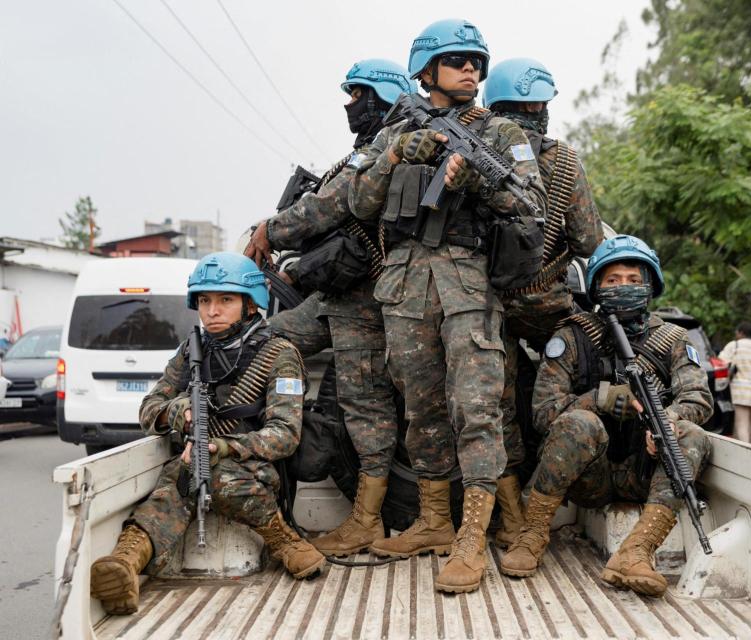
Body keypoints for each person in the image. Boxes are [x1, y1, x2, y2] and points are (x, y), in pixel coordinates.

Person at [348, 19, 547, 593]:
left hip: (467, 285)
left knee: (476, 408)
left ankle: (472, 536)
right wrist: (397, 155)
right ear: (426, 70)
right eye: (458, 60)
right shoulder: (397, 130)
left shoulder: (503, 132)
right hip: (406, 287)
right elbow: (360, 202)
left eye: (477, 62)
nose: (471, 70)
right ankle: (434, 521)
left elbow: (531, 204)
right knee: (421, 408)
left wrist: (478, 182)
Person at [243, 60, 417, 558]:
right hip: (342, 293)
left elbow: (332, 205)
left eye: (356, 94)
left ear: (380, 96)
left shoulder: (394, 140)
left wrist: (270, 231)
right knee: (263, 342)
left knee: (365, 404)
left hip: (368, 297)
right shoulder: (379, 142)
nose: (348, 104)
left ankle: (366, 522)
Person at [89, 253, 324, 615]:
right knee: (176, 483)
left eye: (225, 300)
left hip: (253, 470)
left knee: (212, 471)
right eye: (204, 300)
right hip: (190, 463)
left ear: (250, 304)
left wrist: (225, 447)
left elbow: (284, 435)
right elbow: (149, 409)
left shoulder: (278, 354)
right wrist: (178, 413)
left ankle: (283, 539)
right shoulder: (191, 352)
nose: (212, 311)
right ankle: (125, 564)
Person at [499, 235, 713, 598]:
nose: (624, 287)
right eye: (613, 280)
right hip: (588, 479)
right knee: (580, 423)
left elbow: (699, 397)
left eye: (633, 279)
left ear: (650, 285)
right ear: (597, 286)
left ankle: (636, 552)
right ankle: (531, 533)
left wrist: (670, 418)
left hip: (641, 472)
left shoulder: (673, 339)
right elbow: (543, 412)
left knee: (691, 434)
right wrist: (597, 399)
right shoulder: (574, 335)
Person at [481, 57, 604, 547]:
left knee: (496, 407)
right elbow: (590, 239)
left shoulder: (478, 155)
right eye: (537, 105)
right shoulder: (564, 161)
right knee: (584, 374)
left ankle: (512, 514)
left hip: (487, 308)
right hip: (550, 304)